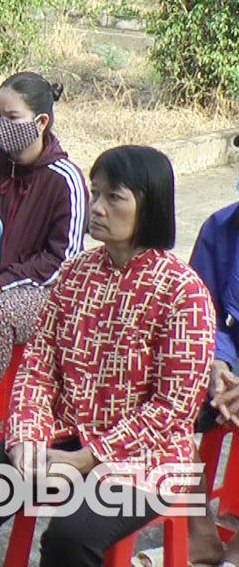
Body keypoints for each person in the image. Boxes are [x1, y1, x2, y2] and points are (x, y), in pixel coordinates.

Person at [0, 145, 215, 567]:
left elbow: (173, 408)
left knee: (71, 537)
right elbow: (38, 367)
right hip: (63, 433)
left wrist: (88, 458)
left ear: (150, 205)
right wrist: (26, 441)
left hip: (146, 456)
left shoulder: (183, 292)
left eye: (114, 197)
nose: (97, 208)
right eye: (95, 194)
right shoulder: (76, 274)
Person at [0, 72, 88, 399]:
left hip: (40, 291)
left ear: (41, 121)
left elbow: (63, 261)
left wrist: (1, 283)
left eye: (12, 117)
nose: (2, 124)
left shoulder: (66, 180)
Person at [185, 186, 239, 566]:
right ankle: (198, 533)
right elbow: (202, 311)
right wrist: (219, 364)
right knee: (164, 400)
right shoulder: (220, 228)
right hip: (227, 372)